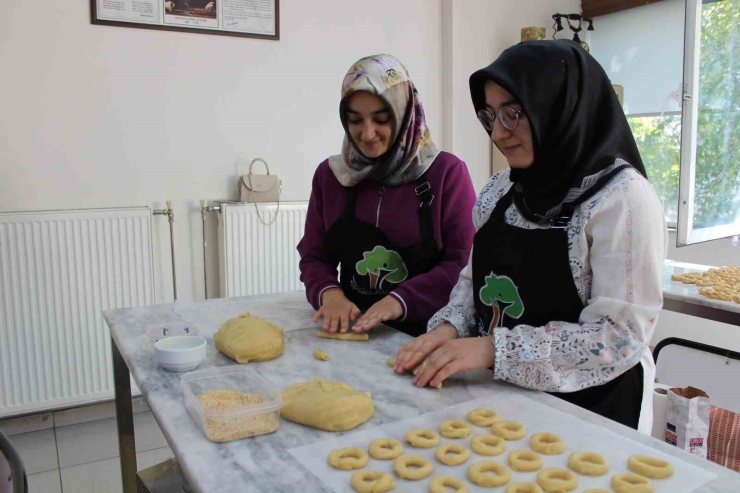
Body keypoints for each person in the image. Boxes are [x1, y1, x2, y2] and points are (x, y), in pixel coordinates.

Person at [393, 40, 668, 433]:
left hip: (593, 412)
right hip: (504, 399)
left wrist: (493, 349)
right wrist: (448, 328)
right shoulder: (501, 190)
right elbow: (473, 287)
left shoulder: (621, 201)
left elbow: (618, 336)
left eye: (515, 113)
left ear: (558, 108)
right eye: (491, 115)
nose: (499, 133)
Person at [298, 54, 477, 337]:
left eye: (381, 119)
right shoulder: (331, 176)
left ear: (405, 113)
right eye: (355, 120)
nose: (367, 134)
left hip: (427, 334)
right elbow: (314, 255)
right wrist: (328, 293)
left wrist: (400, 300)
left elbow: (464, 263)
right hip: (351, 330)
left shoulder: (445, 173)